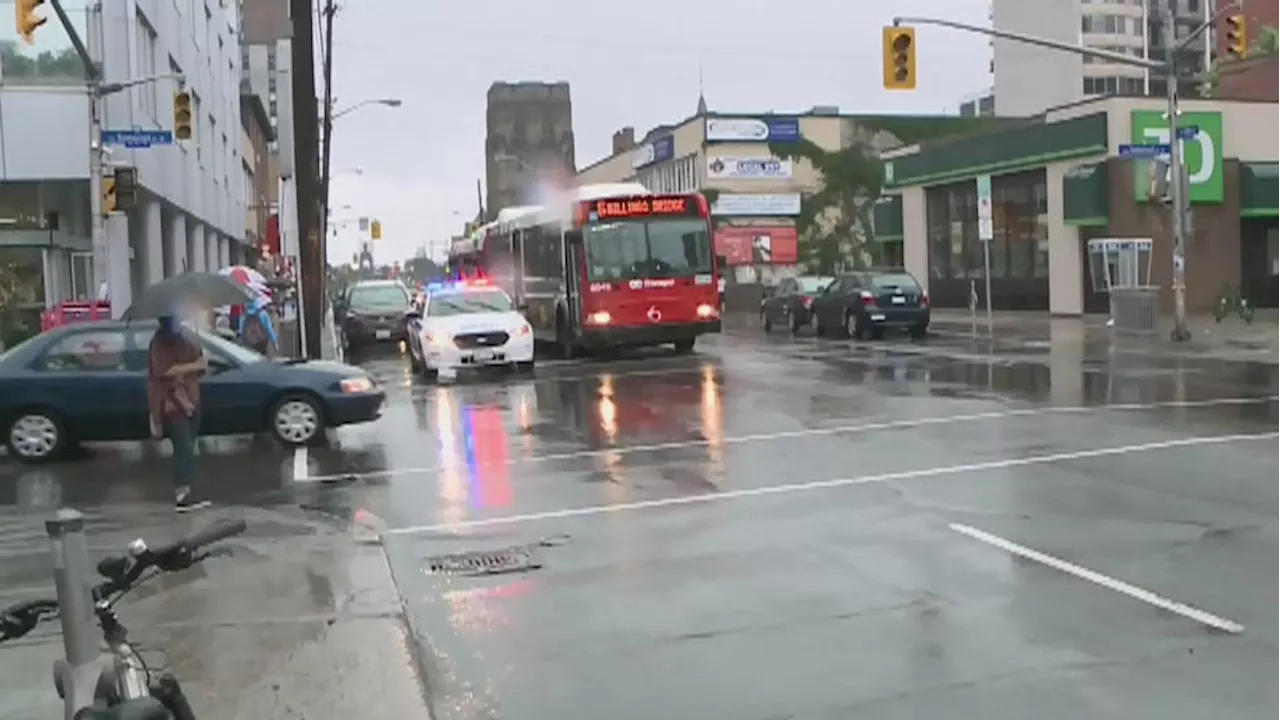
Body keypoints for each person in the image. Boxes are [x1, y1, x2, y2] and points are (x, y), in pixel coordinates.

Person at [147, 313, 211, 512]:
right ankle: (182, 495)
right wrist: (193, 366)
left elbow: (200, 366)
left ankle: (187, 488)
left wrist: (197, 362)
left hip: (191, 398)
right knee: (183, 446)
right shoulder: (160, 341)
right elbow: (162, 370)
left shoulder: (188, 337)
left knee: (189, 446)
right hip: (172, 401)